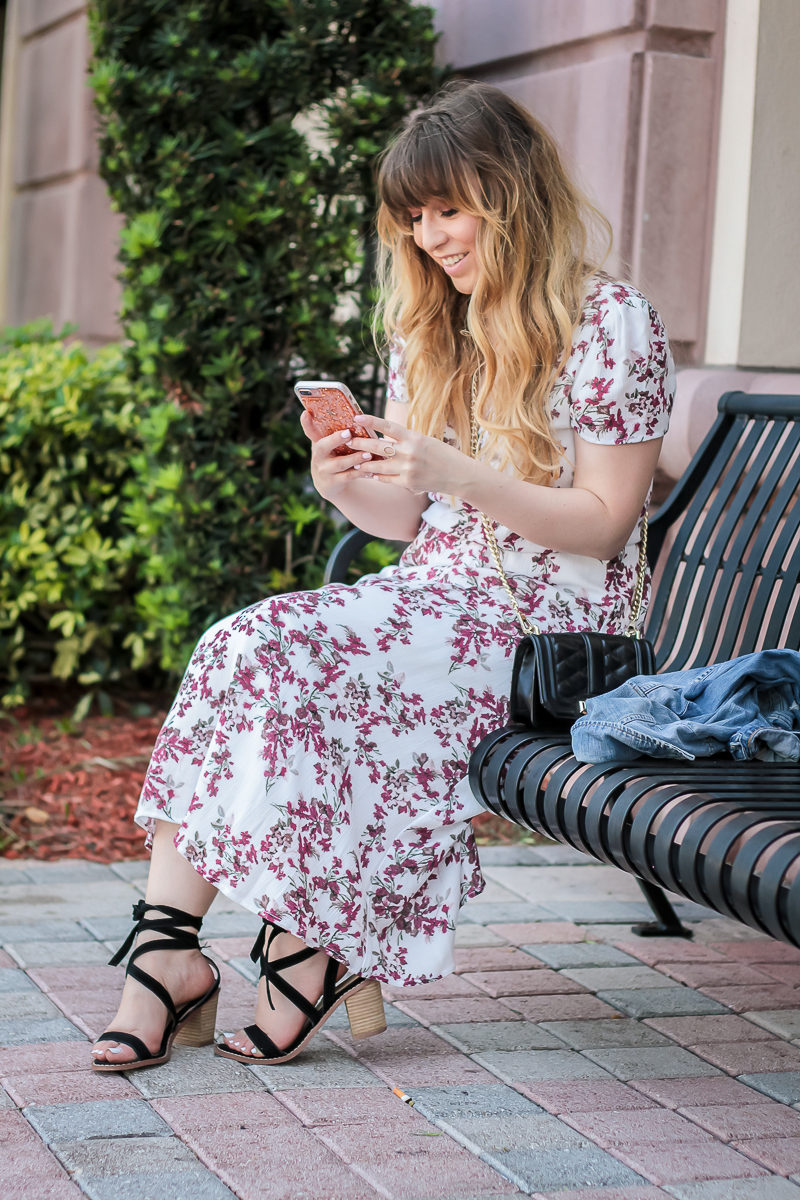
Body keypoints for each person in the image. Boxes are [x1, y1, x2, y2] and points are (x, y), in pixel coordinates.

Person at [91, 80, 674, 1072]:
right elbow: (406, 521)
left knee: (270, 653)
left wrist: (457, 472)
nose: (434, 236)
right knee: (241, 645)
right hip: (430, 603)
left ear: (511, 193)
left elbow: (604, 524)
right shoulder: (433, 326)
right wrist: (344, 480)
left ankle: (306, 944)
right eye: (415, 216)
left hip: (546, 630)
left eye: (451, 208)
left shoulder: (610, 323)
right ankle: (171, 947)